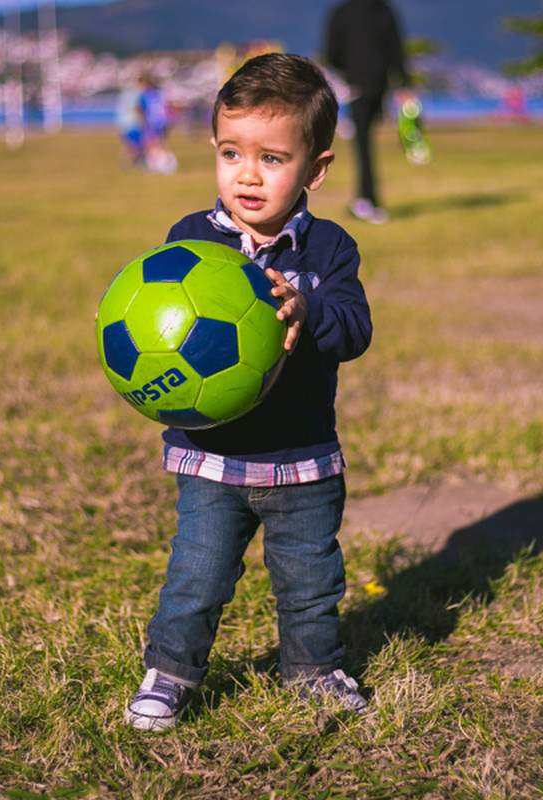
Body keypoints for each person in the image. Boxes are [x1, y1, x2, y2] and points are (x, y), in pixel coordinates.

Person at [123, 53, 373, 732]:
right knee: (196, 575)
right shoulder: (190, 243)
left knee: (311, 582)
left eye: (272, 158)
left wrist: (307, 310)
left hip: (302, 459)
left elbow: (355, 330)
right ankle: (170, 673)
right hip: (213, 458)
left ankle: (314, 671)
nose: (247, 174)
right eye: (231, 153)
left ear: (316, 169)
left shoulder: (329, 250)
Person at [325, 0, 409, 224]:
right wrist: (403, 83)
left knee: (362, 146)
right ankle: (366, 199)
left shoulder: (341, 12)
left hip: (356, 86)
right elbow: (396, 48)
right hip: (379, 85)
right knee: (366, 142)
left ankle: (367, 200)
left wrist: (348, 71)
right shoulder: (384, 10)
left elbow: (332, 52)